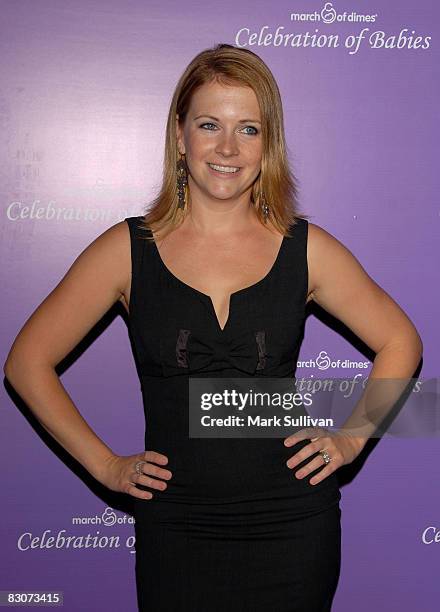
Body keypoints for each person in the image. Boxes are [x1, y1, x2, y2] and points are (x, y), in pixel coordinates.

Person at [4, 43, 422, 611]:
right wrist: (105, 464)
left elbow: (401, 341)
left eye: (248, 129)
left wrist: (350, 439)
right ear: (180, 137)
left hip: (293, 522)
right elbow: (26, 363)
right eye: (209, 124)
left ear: (268, 144)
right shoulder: (127, 251)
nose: (227, 147)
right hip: (177, 526)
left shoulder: (307, 250)